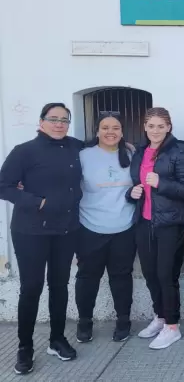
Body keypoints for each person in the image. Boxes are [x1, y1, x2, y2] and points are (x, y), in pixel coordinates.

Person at [0, 103, 83, 374]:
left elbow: (103, 143)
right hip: (31, 230)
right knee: (31, 288)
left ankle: (56, 340)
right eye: (53, 119)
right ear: (41, 121)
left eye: (64, 120)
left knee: (59, 285)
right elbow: (4, 186)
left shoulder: (76, 147)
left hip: (66, 229)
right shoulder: (24, 151)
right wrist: (37, 202)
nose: (59, 124)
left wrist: (125, 147)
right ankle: (25, 348)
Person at [126, 107, 184, 350]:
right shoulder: (140, 152)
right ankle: (160, 316)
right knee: (150, 273)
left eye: (160, 126)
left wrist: (161, 182)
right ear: (145, 127)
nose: (155, 130)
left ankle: (173, 326)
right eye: (151, 126)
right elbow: (137, 184)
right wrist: (131, 192)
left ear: (169, 127)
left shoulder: (180, 151)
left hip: (170, 223)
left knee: (167, 275)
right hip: (144, 222)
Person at [75, 112, 137, 344]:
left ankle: (123, 321)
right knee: (87, 277)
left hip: (124, 227)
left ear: (122, 132)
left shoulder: (132, 154)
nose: (110, 132)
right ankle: (84, 322)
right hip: (90, 227)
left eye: (115, 128)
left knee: (121, 277)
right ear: (97, 131)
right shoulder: (83, 156)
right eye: (105, 127)